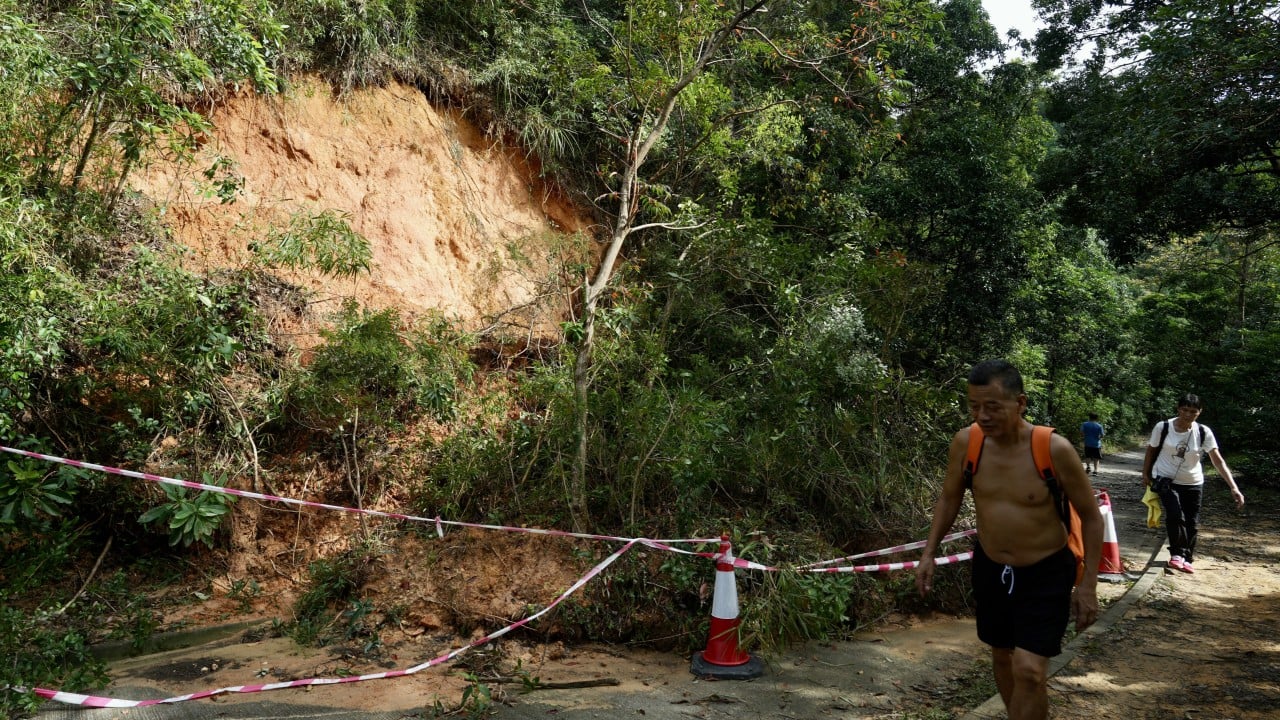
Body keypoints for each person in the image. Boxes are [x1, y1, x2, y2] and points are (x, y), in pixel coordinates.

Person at [916, 359, 1103, 720]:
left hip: (1046, 569)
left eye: (992, 406)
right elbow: (950, 498)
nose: (982, 416)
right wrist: (928, 553)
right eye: (974, 406)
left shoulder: (1054, 449)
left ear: (1021, 403)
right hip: (991, 567)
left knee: (1030, 670)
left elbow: (1092, 518)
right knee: (1002, 655)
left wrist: (1089, 585)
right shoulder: (966, 443)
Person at [1141, 394, 1245, 574]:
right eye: (1184, 410)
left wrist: (1233, 487)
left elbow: (1217, 461)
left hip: (1193, 481)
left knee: (1192, 521)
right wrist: (1146, 473)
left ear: (1199, 412)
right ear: (1178, 409)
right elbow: (1151, 449)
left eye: (1193, 412)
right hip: (1165, 478)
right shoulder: (1163, 427)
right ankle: (1177, 554)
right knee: (1175, 514)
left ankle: (1187, 558)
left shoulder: (1203, 432)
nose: (1188, 415)